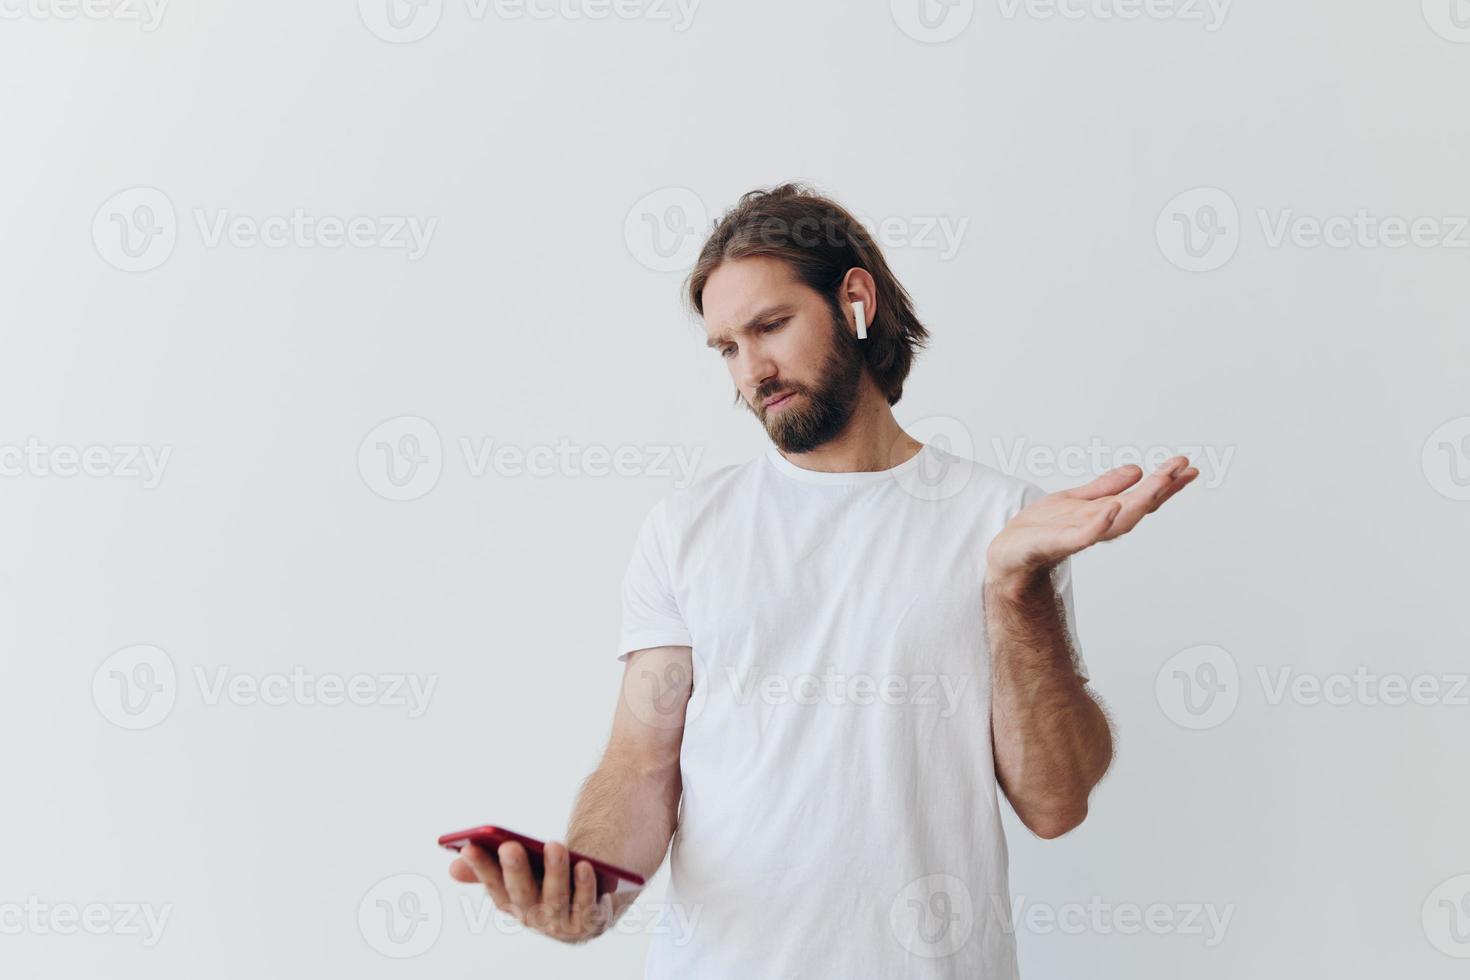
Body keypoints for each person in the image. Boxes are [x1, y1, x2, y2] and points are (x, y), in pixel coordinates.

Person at [449, 183, 1197, 977]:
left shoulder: (1002, 521)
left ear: (854, 299)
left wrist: (1016, 590)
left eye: (771, 326)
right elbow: (639, 767)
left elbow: (1056, 803)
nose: (752, 370)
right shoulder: (688, 527)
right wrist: (587, 892)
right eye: (727, 348)